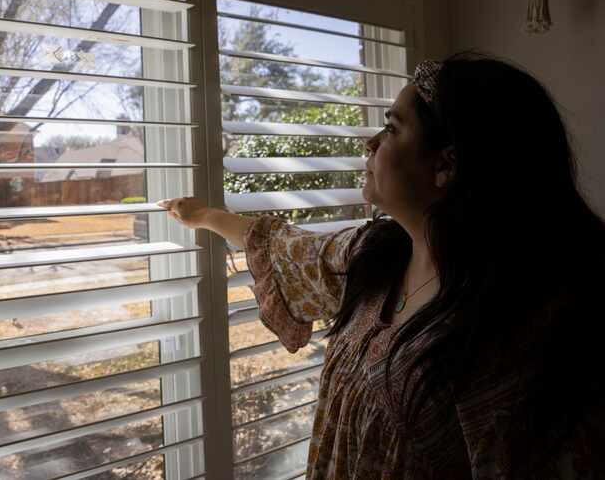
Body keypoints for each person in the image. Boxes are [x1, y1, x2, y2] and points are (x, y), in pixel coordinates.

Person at [158, 52, 605, 479]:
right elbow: (286, 249)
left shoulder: (522, 331)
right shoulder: (375, 256)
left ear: (445, 164)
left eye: (392, 129)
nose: (369, 143)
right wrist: (204, 217)